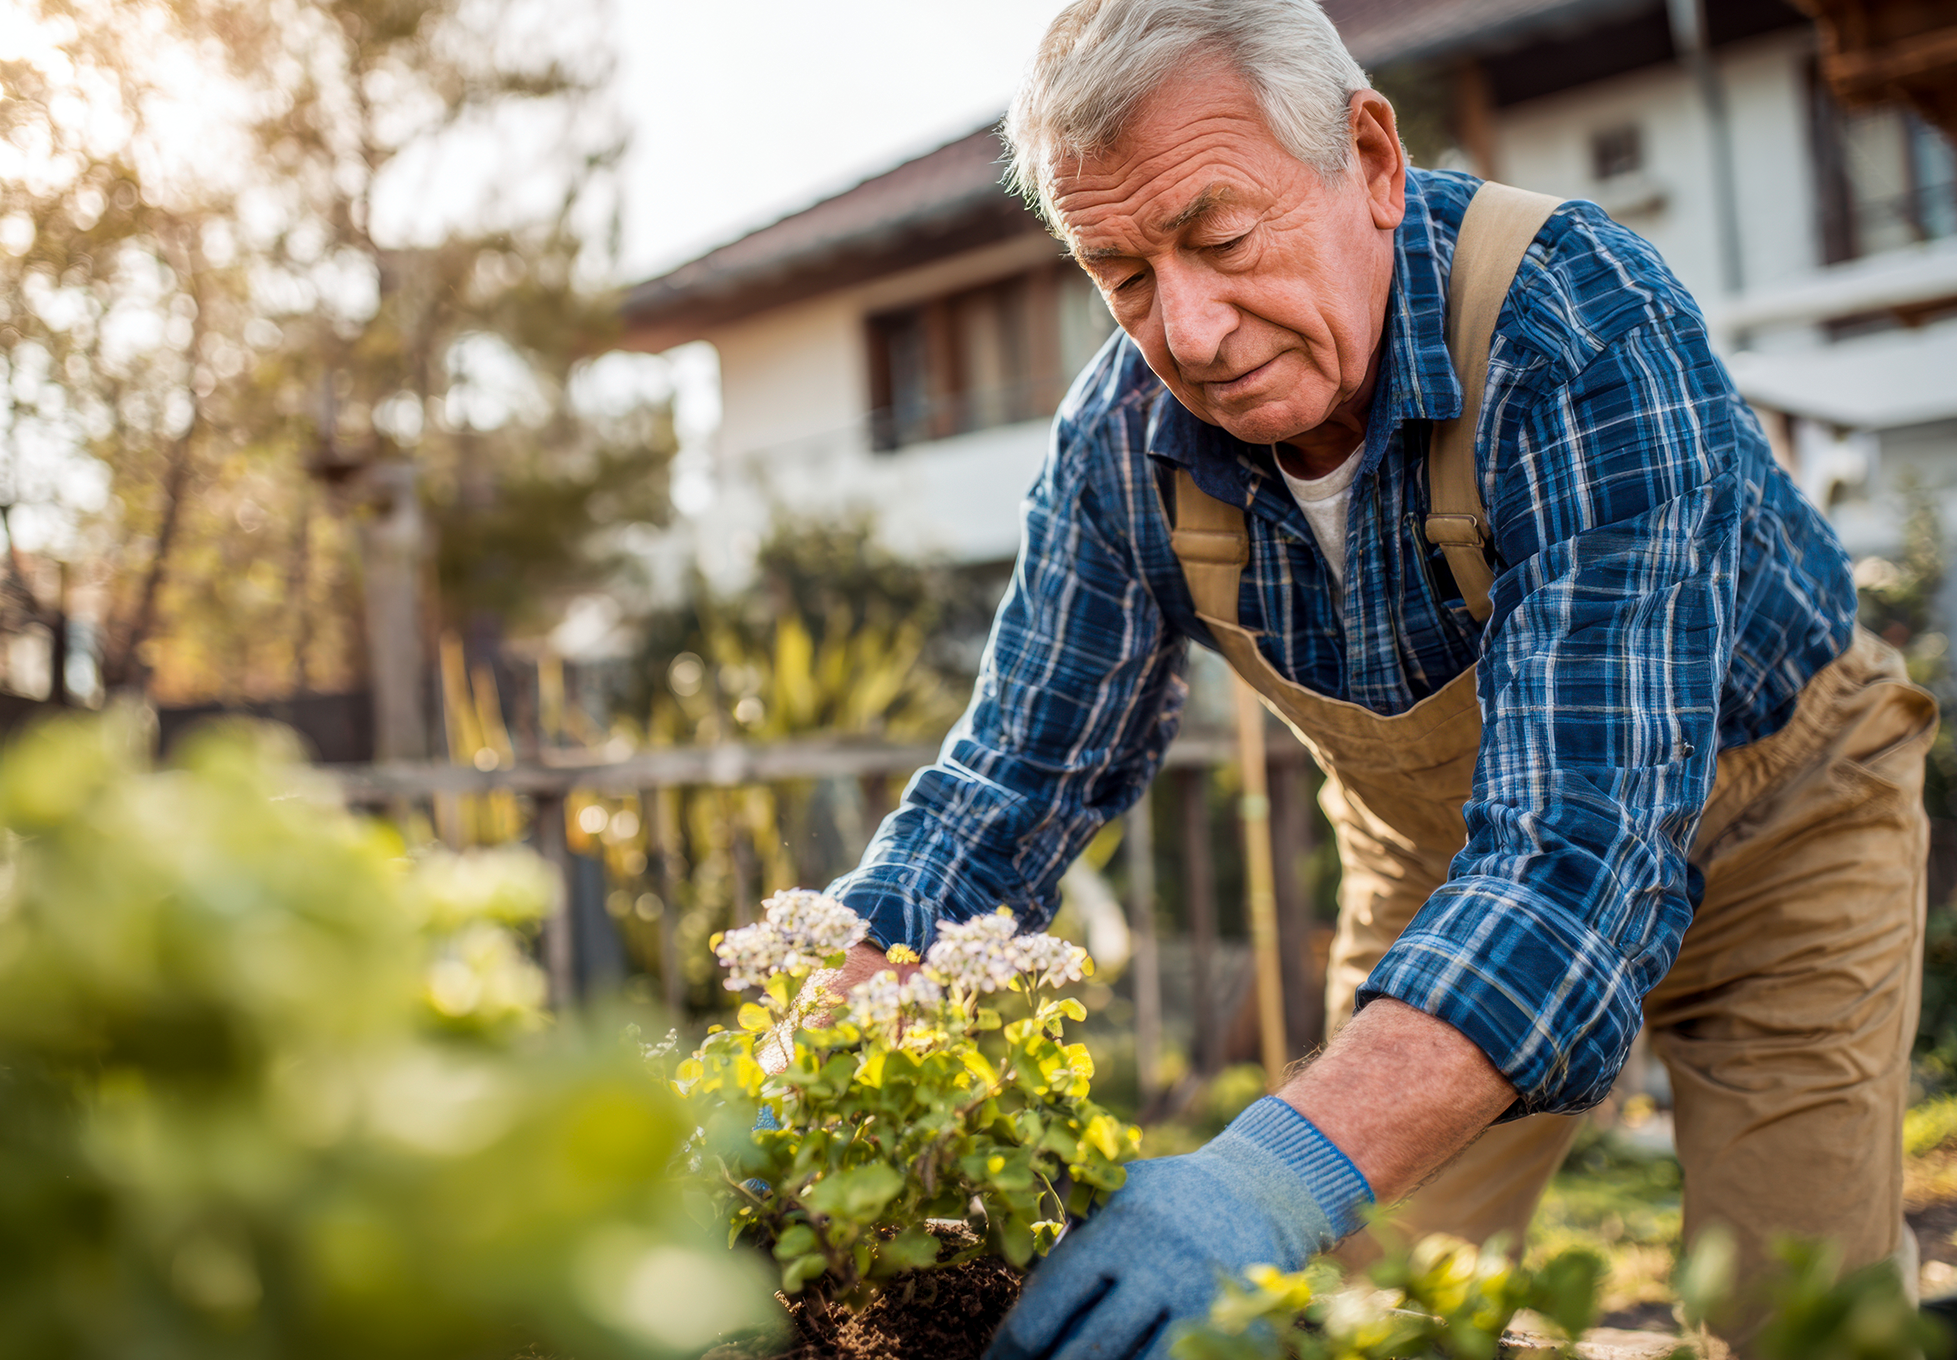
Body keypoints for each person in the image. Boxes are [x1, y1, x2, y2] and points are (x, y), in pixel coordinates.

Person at [811, 1, 1935, 1355]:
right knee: (1366, 1312)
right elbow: (1014, 775)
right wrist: (814, 1033)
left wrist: (1269, 1176)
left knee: (1797, 1321)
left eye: (1222, 239)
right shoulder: (1124, 443)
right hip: (1440, 867)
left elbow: (1581, 854)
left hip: (1782, 842)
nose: (1196, 329)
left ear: (1373, 159)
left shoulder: (1579, 330)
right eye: (1122, 276)